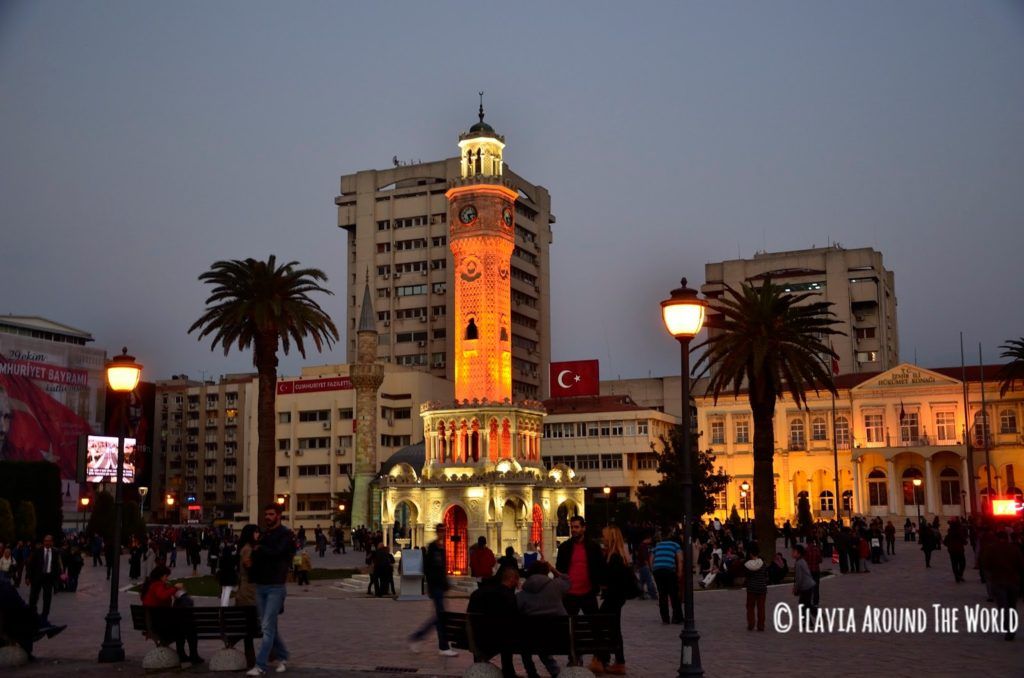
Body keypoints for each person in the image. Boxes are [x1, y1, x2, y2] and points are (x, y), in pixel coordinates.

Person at [246, 503, 296, 676]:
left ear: (278, 515)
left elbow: (278, 553)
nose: (267, 517)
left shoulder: (285, 535)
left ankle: (260, 665)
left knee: (266, 626)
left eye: (271, 514)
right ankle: (282, 656)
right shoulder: (263, 535)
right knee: (269, 625)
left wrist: (260, 549)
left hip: (276, 586)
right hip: (261, 585)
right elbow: (256, 555)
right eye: (266, 514)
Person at [409, 524, 458, 657]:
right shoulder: (432, 548)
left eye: (444, 531)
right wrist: (431, 585)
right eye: (441, 531)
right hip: (435, 587)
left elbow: (442, 569)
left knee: (439, 617)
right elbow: (428, 568)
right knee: (440, 616)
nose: (443, 533)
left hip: (440, 587)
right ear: (437, 532)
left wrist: (445, 583)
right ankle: (438, 644)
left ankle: (425, 639)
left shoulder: (442, 548)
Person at [140, 565, 202, 665]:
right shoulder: (157, 585)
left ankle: (183, 654)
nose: (167, 578)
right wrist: (174, 588)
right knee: (189, 629)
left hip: (153, 623)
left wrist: (171, 592)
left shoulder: (150, 586)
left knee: (183, 627)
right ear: (160, 576)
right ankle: (191, 655)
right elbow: (161, 596)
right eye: (166, 576)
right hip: (159, 625)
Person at [467, 565, 520, 677]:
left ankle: (480, 667)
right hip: (500, 640)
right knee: (507, 635)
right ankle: (508, 672)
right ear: (511, 579)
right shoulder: (508, 596)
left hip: (476, 637)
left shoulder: (478, 593)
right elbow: (514, 619)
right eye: (517, 579)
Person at [0, 571, 66, 660]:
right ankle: (45, 626)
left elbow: (19, 603)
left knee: (25, 617)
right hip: (11, 617)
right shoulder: (6, 587)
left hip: (13, 614)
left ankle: (44, 626)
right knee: (24, 619)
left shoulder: (7, 587)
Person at [591, 525, 631, 675]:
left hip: (613, 597)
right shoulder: (617, 555)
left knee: (602, 626)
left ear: (610, 538)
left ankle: (600, 659)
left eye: (604, 536)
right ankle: (618, 662)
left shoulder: (614, 557)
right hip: (617, 597)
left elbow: (608, 579)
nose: (602, 538)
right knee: (614, 629)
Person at [517, 560, 566, 678]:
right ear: (546, 572)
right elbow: (569, 580)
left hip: (533, 639)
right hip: (560, 637)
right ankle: (555, 671)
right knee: (542, 638)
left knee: (531, 637)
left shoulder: (522, 594)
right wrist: (554, 570)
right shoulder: (556, 586)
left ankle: (531, 672)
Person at [555, 516, 604, 622]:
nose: (573, 530)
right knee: (566, 626)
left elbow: (600, 567)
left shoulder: (593, 547)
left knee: (595, 625)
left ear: (583, 528)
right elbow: (559, 569)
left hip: (588, 593)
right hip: (570, 594)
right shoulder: (564, 547)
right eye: (572, 527)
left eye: (576, 527)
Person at [980, 530, 1024, 641]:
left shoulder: (991, 549)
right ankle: (1011, 628)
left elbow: (985, 564)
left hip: (998, 581)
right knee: (1012, 606)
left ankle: (1008, 627)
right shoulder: (1014, 549)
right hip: (1013, 581)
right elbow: (1021, 564)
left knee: (1003, 606)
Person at [26, 534, 63, 625]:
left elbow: (57, 566)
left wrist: (56, 577)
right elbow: (30, 565)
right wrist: (28, 577)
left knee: (47, 599)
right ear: (43, 542)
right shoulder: (37, 551)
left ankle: (44, 617)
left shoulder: (55, 552)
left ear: (52, 542)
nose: (47, 542)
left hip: (48, 578)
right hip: (37, 578)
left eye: (49, 541)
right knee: (33, 597)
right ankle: (32, 615)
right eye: (46, 541)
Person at [651, 532, 683, 624]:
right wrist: (679, 572)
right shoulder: (675, 545)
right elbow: (680, 559)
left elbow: (651, 558)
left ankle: (665, 619)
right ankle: (677, 618)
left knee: (662, 594)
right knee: (674, 594)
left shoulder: (658, 545)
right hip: (669, 570)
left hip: (658, 570)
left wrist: (653, 569)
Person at [744, 542, 768, 631]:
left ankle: (751, 624)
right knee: (761, 607)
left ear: (750, 553)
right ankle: (761, 625)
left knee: (750, 607)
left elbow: (747, 577)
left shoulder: (747, 565)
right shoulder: (763, 563)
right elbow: (765, 575)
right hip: (762, 588)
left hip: (751, 588)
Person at [235, 524, 259, 607]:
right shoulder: (248, 549)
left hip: (247, 589)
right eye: (255, 532)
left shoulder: (247, 548)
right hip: (248, 591)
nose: (258, 534)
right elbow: (250, 567)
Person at [792, 544, 815, 617]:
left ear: (799, 553)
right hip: (808, 585)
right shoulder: (802, 561)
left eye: (794, 551)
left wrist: (796, 588)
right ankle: (808, 622)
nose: (792, 553)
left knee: (804, 605)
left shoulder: (799, 563)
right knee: (805, 605)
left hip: (806, 586)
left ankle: (818, 615)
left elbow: (799, 578)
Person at [218, 538, 239, 606]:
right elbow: (235, 564)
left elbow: (220, 565)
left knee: (224, 590)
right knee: (227, 591)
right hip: (230, 575)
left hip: (223, 574)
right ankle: (224, 606)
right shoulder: (232, 554)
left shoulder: (223, 554)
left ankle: (222, 605)